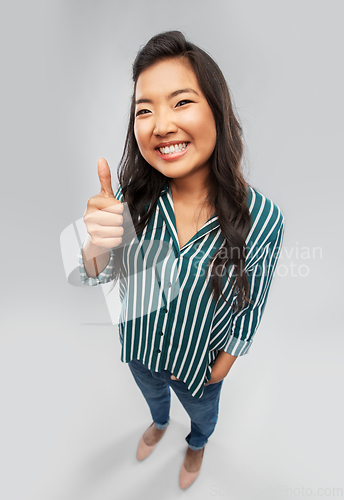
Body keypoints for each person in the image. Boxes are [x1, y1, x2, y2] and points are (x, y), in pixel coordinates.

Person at [77, 30, 285, 490]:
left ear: (218, 111)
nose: (160, 125)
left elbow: (252, 303)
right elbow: (99, 276)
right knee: (153, 399)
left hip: (199, 367)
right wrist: (96, 243)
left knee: (203, 418)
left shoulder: (265, 219)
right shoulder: (133, 199)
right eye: (144, 110)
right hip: (141, 350)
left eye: (181, 102)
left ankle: (196, 446)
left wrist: (221, 366)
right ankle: (157, 423)